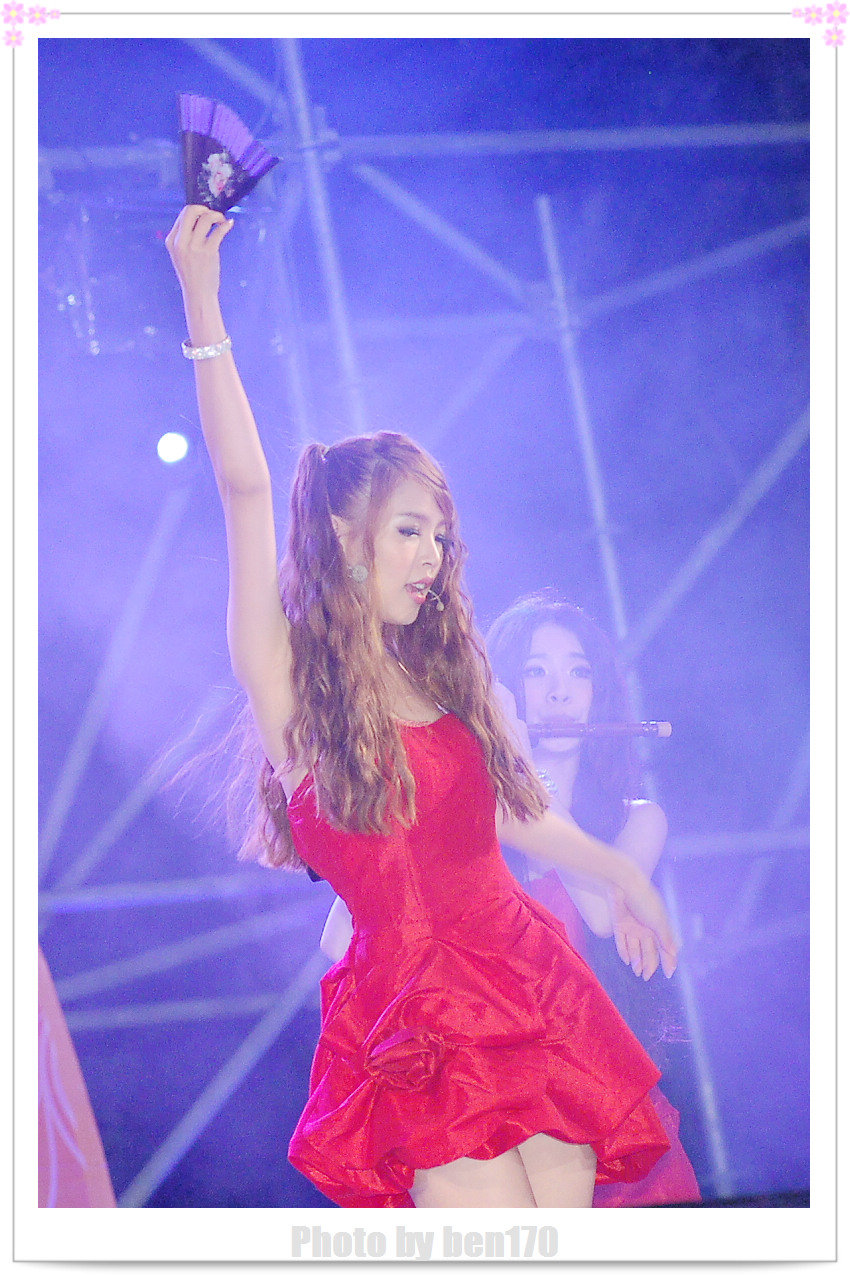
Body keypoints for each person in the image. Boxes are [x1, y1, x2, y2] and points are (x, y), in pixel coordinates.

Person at [165, 204, 679, 1210]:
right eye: (409, 530)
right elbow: (244, 487)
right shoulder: (288, 683)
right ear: (345, 534)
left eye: (440, 536)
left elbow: (514, 816)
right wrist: (202, 304)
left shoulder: (447, 672)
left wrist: (619, 867)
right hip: (419, 1011)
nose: (433, 556)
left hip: (524, 978)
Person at [485, 592, 701, 1206]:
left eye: (578, 672)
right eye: (535, 672)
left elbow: (602, 913)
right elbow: (345, 937)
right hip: (497, 1107)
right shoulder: (473, 822)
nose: (560, 693)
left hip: (608, 1107)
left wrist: (526, 776)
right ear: (502, 694)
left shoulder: (639, 818)